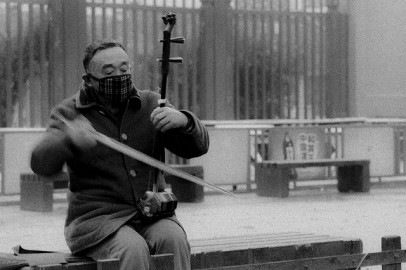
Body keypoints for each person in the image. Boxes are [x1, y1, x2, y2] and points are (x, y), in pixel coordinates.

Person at [30, 39, 209, 270]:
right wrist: (67, 140)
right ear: (89, 79)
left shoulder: (152, 104)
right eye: (108, 71)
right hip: (98, 221)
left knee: (174, 238)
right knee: (132, 248)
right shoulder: (68, 112)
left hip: (151, 212)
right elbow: (40, 164)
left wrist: (184, 121)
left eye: (124, 69)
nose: (119, 76)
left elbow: (198, 147)